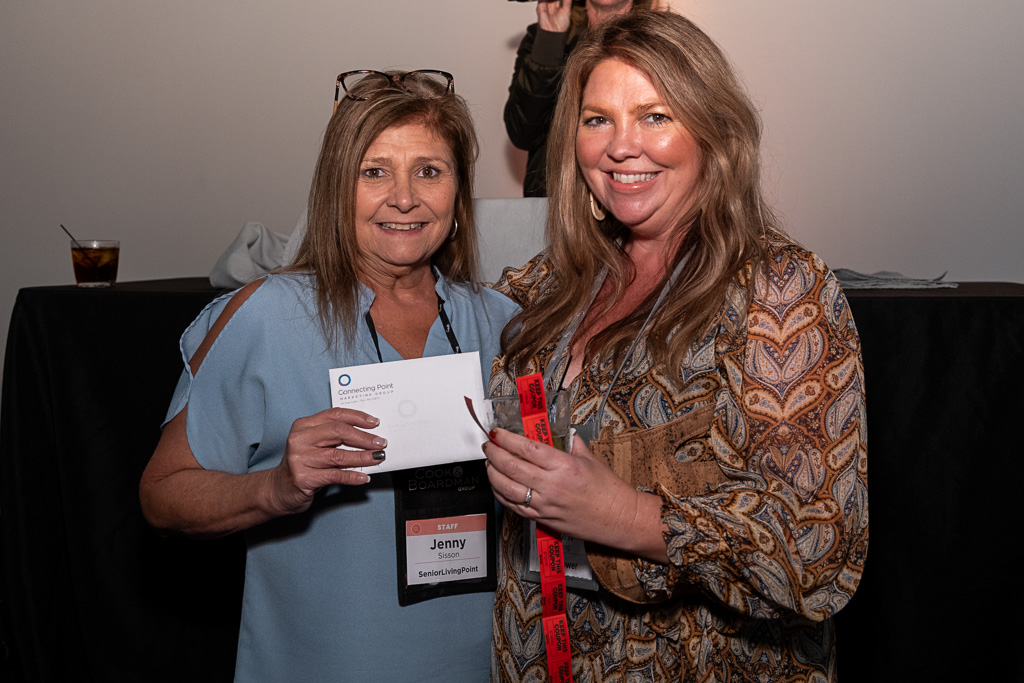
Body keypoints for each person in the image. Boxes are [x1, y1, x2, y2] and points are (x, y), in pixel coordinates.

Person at [484, 10, 868, 682]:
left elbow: (819, 550)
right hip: (542, 657)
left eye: (654, 116)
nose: (619, 146)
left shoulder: (775, 287)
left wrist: (624, 515)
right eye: (597, 119)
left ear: (712, 131)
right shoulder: (548, 285)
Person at [139, 69, 519, 682]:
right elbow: (162, 496)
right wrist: (273, 488)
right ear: (336, 189)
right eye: (375, 172)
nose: (404, 198)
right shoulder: (267, 317)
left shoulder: (502, 325)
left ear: (459, 191)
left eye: (429, 170)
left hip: (483, 665)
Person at [504, 0, 666, 197]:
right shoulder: (545, 35)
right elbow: (522, 134)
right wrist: (550, 38)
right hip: (556, 198)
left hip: (630, 191)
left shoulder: (662, 38)